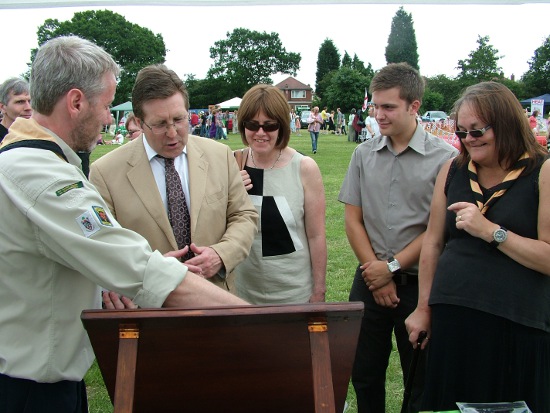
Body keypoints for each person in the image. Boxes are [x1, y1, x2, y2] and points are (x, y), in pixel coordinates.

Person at [0, 36, 247, 413]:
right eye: (104, 105)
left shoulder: (35, 162)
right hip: (33, 389)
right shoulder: (43, 176)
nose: (107, 118)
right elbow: (139, 269)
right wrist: (257, 322)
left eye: (179, 120)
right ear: (77, 102)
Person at [405, 81, 550, 412]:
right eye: (463, 133)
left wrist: (492, 232)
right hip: (454, 321)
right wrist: (423, 308)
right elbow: (433, 242)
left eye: (478, 130)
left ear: (506, 124)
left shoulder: (542, 171)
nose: (469, 140)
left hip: (517, 326)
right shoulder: (454, 169)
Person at [338, 62, 458, 413]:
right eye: (375, 106)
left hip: (420, 285)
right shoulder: (363, 154)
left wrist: (389, 267)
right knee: (364, 373)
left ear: (414, 105)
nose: (379, 115)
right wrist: (375, 272)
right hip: (370, 280)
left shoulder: (445, 159)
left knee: (418, 379)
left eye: (388, 107)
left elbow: (436, 231)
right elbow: (352, 220)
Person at [90, 64, 258, 292]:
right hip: (150, 306)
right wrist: (149, 270)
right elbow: (102, 245)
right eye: (160, 124)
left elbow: (244, 216)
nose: (172, 133)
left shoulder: (220, 156)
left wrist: (220, 254)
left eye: (179, 120)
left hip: (216, 298)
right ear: (139, 122)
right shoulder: (105, 172)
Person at [234, 84, 326, 304]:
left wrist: (319, 291)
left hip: (295, 294)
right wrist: (230, 192)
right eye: (252, 125)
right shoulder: (232, 163)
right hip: (241, 294)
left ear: (282, 126)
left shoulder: (304, 167)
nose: (260, 133)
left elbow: (316, 235)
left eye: (270, 125)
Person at [0, 77, 32, 142]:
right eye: (20, 102)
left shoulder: (38, 134)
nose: (28, 108)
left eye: (30, 101)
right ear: (2, 107)